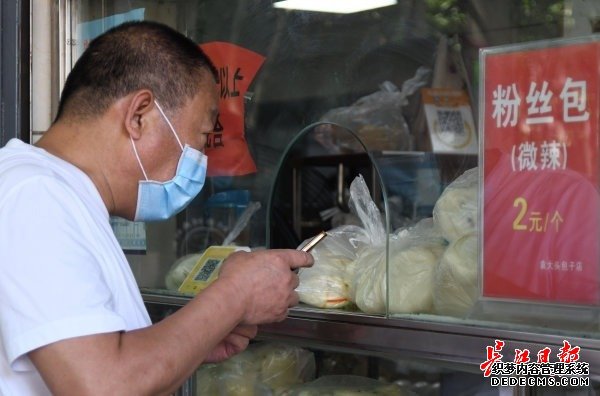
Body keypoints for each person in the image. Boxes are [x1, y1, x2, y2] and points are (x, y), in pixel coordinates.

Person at [0, 21, 313, 395]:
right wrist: (236, 296)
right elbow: (102, 386)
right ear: (139, 116)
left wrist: (193, 340)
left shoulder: (57, 195)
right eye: (199, 139)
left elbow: (105, 364)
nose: (198, 162)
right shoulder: (34, 193)